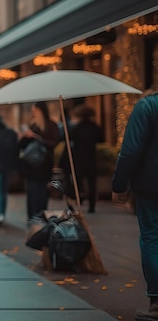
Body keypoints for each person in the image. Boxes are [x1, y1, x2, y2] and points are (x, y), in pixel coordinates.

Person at [111, 92, 158, 321]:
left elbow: (130, 151)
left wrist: (119, 184)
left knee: (152, 237)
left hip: (152, 187)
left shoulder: (148, 106)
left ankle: (157, 303)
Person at [18, 101, 60, 220]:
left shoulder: (51, 126)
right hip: (31, 165)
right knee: (31, 192)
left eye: (35, 111)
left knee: (42, 192)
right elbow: (22, 146)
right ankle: (32, 218)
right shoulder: (33, 125)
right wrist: (24, 137)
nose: (33, 114)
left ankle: (40, 217)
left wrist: (36, 137)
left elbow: (53, 143)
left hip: (44, 164)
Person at [59, 104, 104, 213]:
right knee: (91, 182)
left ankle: (79, 200)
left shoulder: (76, 128)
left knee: (78, 182)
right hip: (91, 157)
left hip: (79, 159)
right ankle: (92, 205)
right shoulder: (94, 127)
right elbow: (101, 139)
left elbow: (68, 140)